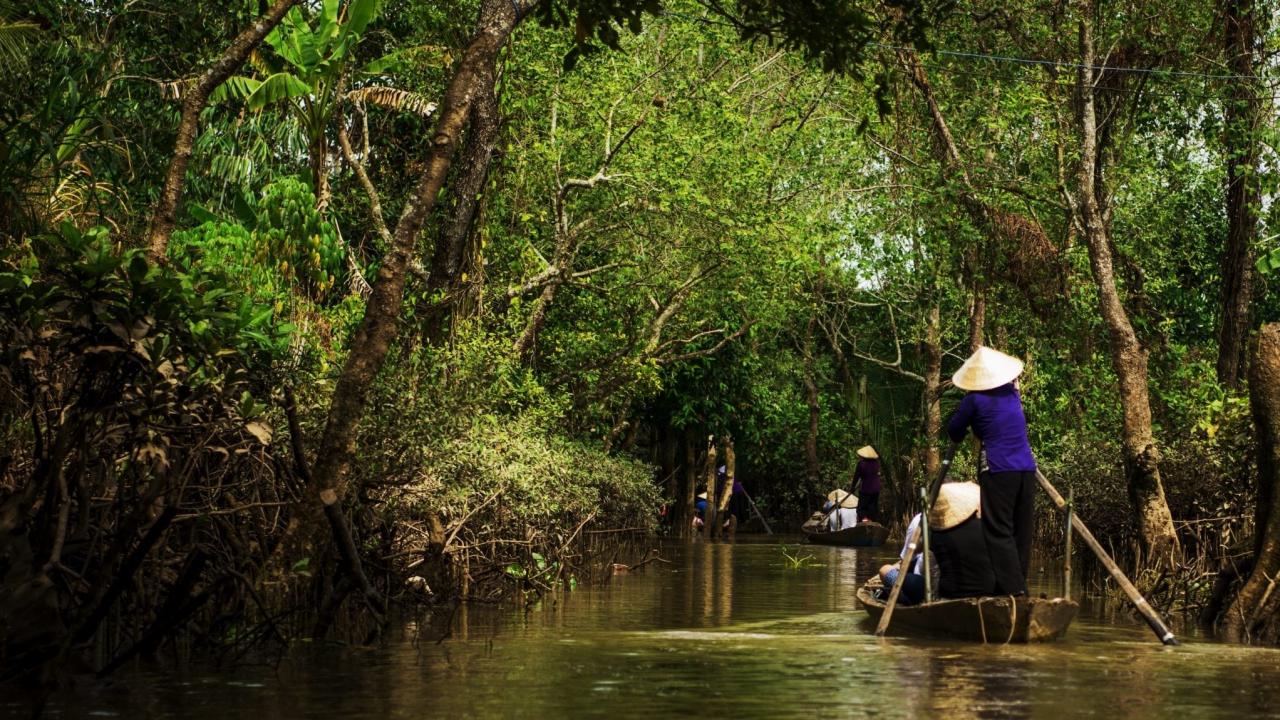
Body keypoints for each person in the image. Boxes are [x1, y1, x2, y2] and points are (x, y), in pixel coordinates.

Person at [946, 346, 1037, 596]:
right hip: (1027, 469)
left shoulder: (974, 399)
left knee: (998, 531)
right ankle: (1014, 587)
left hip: (998, 468)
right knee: (1022, 529)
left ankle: (1014, 591)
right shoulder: (1012, 395)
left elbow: (954, 430)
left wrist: (967, 420)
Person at [878, 482, 996, 602]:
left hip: (945, 593)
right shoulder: (986, 526)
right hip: (989, 590)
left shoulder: (935, 533)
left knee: (885, 570)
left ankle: (901, 598)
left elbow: (912, 553)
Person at [852, 445, 881, 523]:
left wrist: (852, 488)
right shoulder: (876, 463)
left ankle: (864, 520)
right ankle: (872, 520)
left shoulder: (861, 464)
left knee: (861, 508)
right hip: (876, 488)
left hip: (866, 488)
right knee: (872, 506)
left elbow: (856, 477)